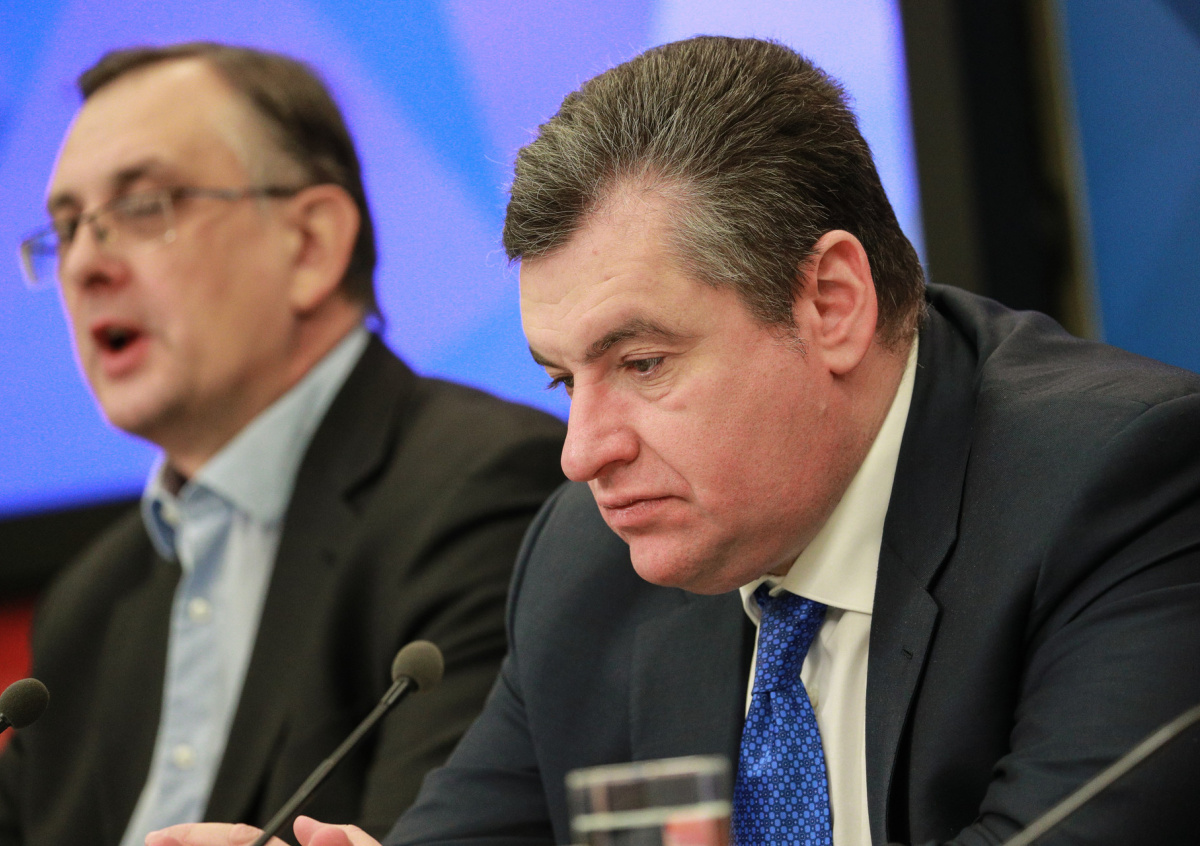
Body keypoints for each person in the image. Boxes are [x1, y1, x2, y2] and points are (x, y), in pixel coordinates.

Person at [148, 35, 1200, 846]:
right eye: (564, 381)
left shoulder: (1120, 486)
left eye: (643, 363)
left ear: (832, 303)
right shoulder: (585, 565)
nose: (583, 453)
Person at [0, 43, 566, 846]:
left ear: (310, 243)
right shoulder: (87, 605)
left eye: (143, 206)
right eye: (66, 228)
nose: (85, 263)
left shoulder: (482, 492)